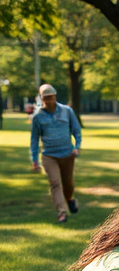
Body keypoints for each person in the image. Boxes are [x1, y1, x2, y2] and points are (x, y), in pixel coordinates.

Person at [30, 83, 82, 223]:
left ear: (55, 96)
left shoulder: (67, 111)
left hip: (67, 154)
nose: (48, 100)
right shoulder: (38, 117)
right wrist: (34, 160)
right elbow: (34, 139)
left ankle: (70, 199)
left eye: (51, 97)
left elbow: (76, 130)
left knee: (68, 184)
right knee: (54, 183)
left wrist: (77, 147)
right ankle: (62, 212)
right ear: (42, 99)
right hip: (49, 155)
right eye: (45, 98)